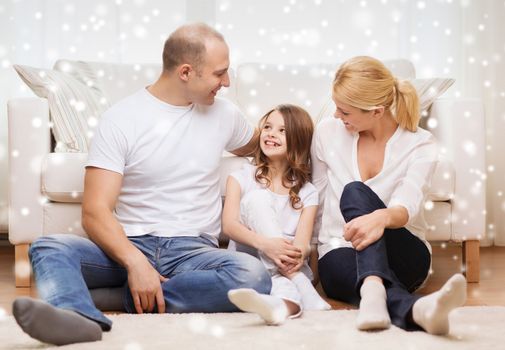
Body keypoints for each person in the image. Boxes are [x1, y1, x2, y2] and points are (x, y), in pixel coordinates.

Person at [12, 23, 271, 346]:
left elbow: (261, 146)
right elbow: (95, 211)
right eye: (220, 73)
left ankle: (104, 302)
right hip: (129, 245)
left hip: (192, 252)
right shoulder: (121, 119)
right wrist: (135, 263)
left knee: (252, 276)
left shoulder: (225, 114)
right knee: (49, 247)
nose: (227, 82)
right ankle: (75, 320)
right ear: (186, 72)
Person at [312, 56, 466, 334]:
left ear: (377, 111)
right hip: (341, 252)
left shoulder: (420, 144)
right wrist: (308, 254)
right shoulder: (327, 133)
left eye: (344, 112)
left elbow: (406, 204)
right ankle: (418, 310)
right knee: (359, 271)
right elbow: (318, 194)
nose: (336, 116)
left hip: (404, 254)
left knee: (354, 192)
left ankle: (372, 288)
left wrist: (379, 219)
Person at [222, 104, 331, 326]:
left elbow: (303, 243)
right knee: (257, 199)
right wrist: (267, 246)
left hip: (289, 267)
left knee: (286, 290)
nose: (271, 134)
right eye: (268, 127)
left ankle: (278, 307)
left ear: (298, 139)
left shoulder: (307, 192)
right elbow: (229, 226)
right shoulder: (241, 177)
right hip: (250, 265)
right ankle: (300, 286)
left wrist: (295, 256)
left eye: (282, 130)